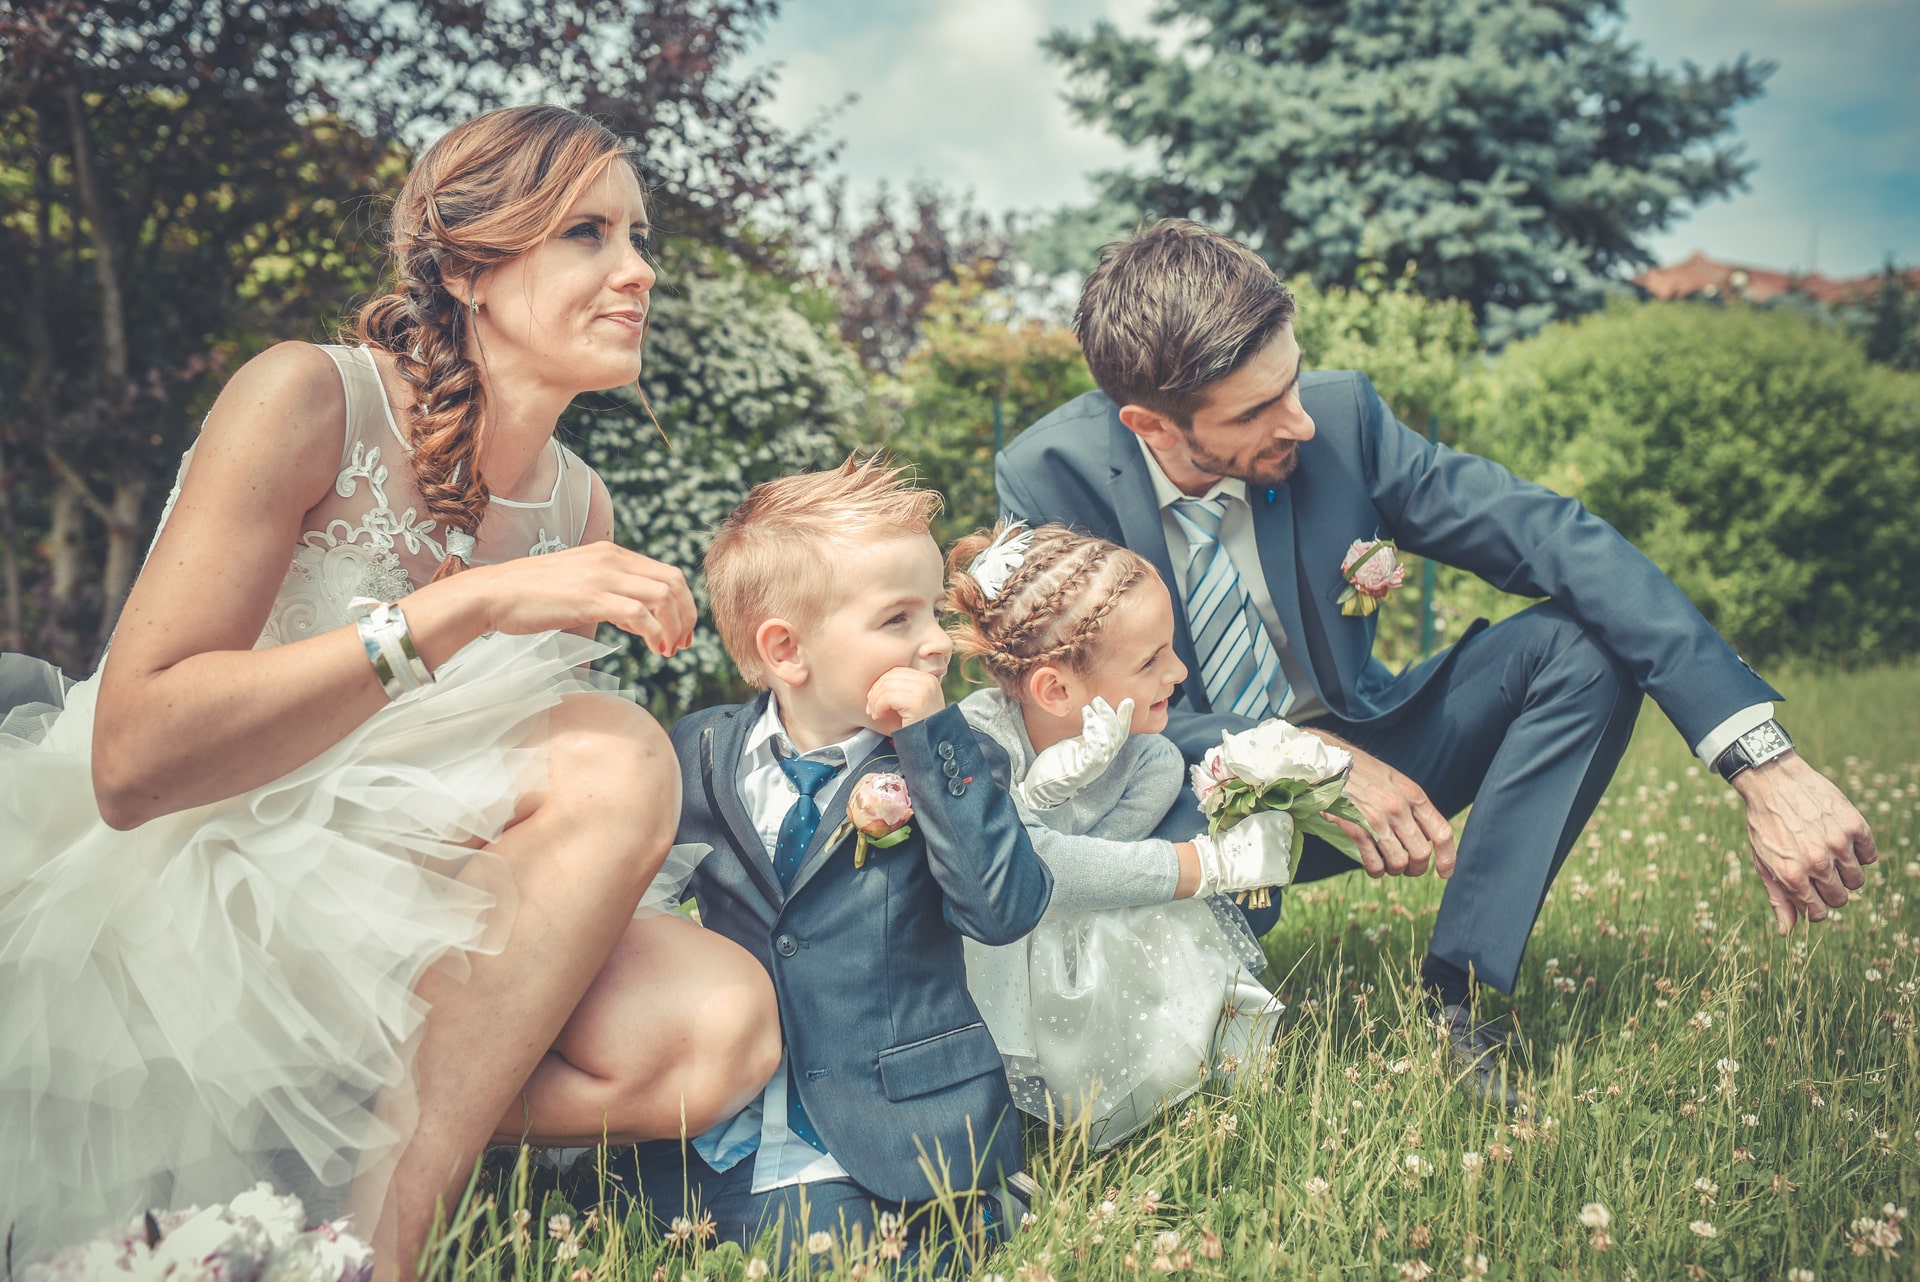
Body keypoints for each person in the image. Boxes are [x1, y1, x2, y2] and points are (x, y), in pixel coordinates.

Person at [0, 106, 782, 1276]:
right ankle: (381, 1249)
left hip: (408, 913)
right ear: (466, 266)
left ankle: (335, 1154)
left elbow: (523, 822)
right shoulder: (307, 397)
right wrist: (465, 604)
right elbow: (132, 763)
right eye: (588, 233)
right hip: (200, 872)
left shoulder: (578, 506)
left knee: (717, 1025)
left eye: (639, 235)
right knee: (619, 753)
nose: (639, 270)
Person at [996, 218, 1878, 1103]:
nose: (1297, 419)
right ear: (1149, 424)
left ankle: (1461, 1000)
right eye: (1257, 410)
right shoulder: (1049, 479)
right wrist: (1304, 761)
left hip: (1374, 750)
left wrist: (1763, 761)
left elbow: (1553, 537)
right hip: (1174, 792)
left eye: (1292, 381)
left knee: (1578, 650)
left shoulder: (1340, 422)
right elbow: (1068, 720)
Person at [619, 459, 1054, 1265]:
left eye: (933, 610)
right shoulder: (704, 750)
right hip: (739, 1106)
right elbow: (644, 899)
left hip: (898, 1112)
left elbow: (1004, 911)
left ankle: (975, 1205)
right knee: (670, 1224)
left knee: (839, 1254)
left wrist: (930, 748)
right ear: (787, 650)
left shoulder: (960, 760)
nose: (934, 642)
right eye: (898, 619)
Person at [945, 521, 1285, 1147]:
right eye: (1152, 660)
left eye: (1171, 648)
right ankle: (1011, 1092)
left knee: (1146, 924)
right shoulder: (976, 739)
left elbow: (1102, 873)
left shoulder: (1149, 760)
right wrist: (1202, 865)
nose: (1178, 672)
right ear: (1056, 688)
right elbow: (1022, 873)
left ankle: (1146, 1079)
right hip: (984, 931)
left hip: (1072, 917)